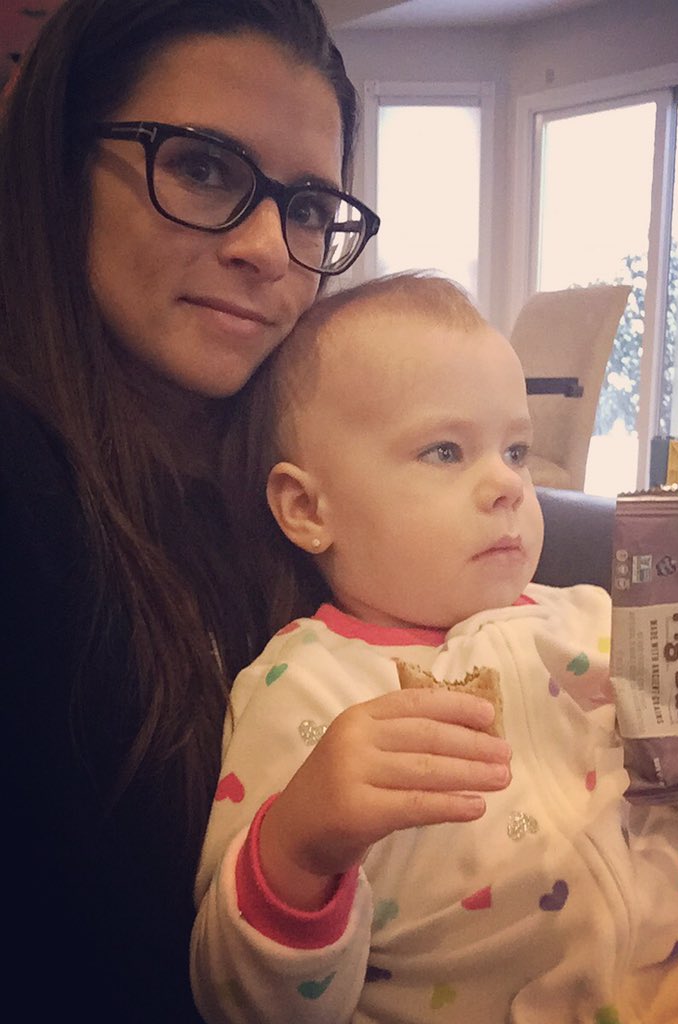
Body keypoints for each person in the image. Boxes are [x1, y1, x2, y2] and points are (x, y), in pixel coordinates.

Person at [191, 273, 678, 1023]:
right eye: (444, 451)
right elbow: (239, 1003)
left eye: (516, 450)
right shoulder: (301, 685)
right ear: (307, 508)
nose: (509, 485)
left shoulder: (595, 619)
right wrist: (297, 852)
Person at [0, 1, 379, 1020]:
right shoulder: (26, 489)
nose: (268, 249)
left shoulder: (314, 491)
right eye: (204, 168)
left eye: (309, 207)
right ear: (57, 168)